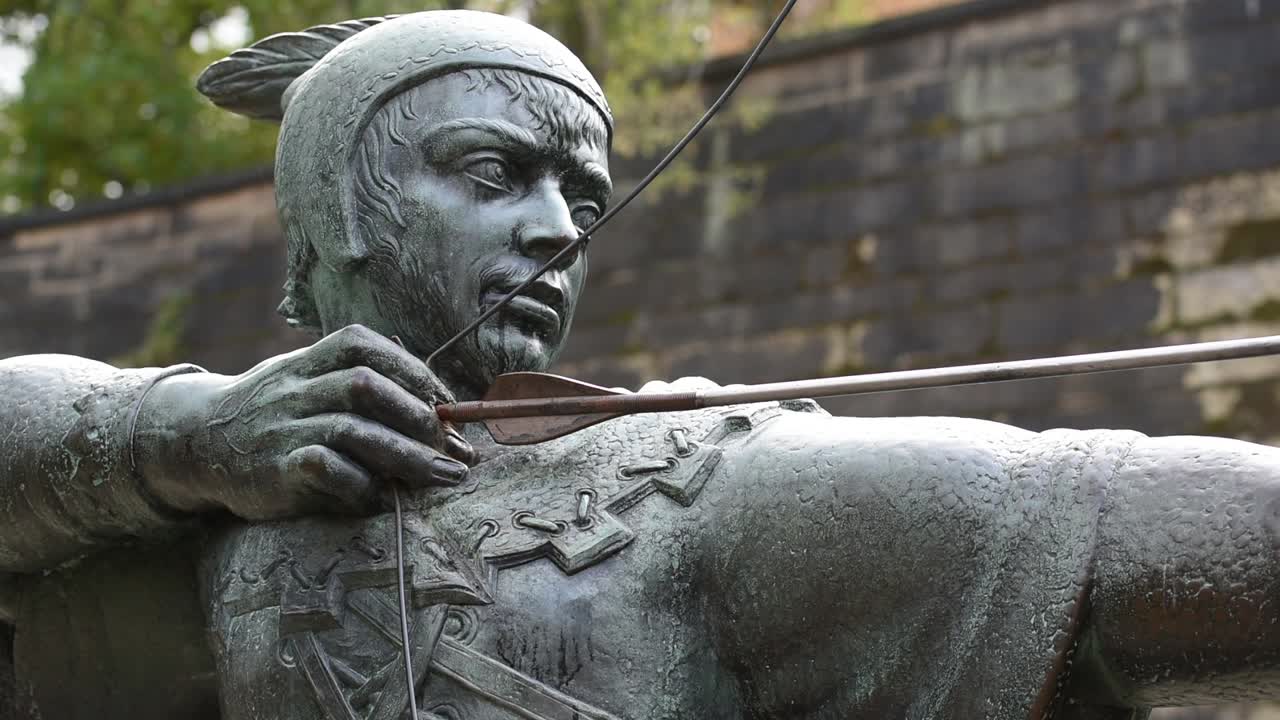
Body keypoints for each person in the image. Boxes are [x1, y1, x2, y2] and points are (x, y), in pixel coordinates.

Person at [1, 10, 1278, 720]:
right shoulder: (184, 502)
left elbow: (1160, 531)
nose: (560, 231)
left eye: (584, 200)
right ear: (342, 208)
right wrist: (184, 442)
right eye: (495, 174)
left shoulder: (682, 487)